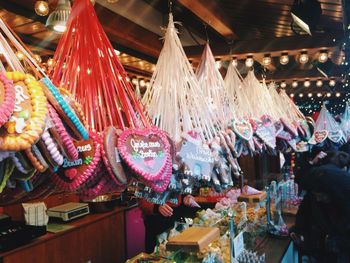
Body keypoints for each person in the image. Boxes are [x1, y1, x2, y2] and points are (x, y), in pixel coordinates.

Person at [290, 151, 350, 262]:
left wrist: (336, 243)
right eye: (315, 195)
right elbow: (304, 213)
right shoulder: (314, 193)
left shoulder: (345, 198)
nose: (318, 199)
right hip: (321, 252)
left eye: (322, 196)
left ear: (333, 193)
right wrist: (298, 231)